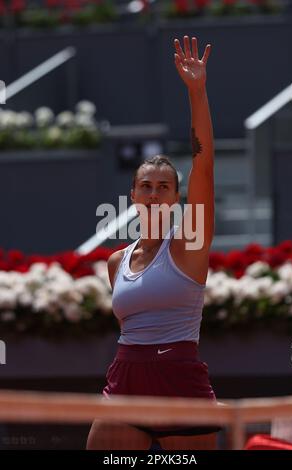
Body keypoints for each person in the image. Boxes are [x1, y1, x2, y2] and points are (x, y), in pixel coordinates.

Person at [87, 35, 218, 451]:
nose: (155, 192)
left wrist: (197, 93)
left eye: (165, 186)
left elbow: (204, 163)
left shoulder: (188, 244)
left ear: (176, 198)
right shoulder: (115, 262)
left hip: (179, 382)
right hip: (126, 381)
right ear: (133, 194)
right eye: (146, 186)